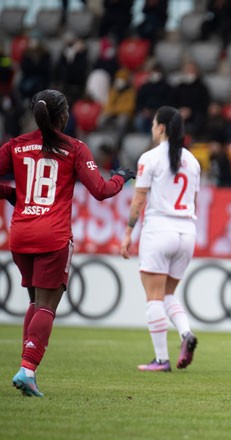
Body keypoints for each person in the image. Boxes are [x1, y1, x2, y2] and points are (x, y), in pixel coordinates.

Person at [0, 89, 134, 397]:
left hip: (20, 233)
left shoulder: (15, 146)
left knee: (35, 302)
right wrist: (121, 176)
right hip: (53, 235)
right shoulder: (74, 148)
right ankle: (27, 369)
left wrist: (12, 195)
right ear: (64, 116)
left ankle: (26, 366)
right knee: (47, 306)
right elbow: (100, 190)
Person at [121, 105, 200, 372]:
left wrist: (128, 232)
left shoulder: (150, 158)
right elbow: (195, 201)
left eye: (155, 125)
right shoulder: (193, 161)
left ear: (162, 127)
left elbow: (139, 199)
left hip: (159, 230)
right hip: (187, 232)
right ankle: (186, 333)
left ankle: (162, 359)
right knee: (168, 294)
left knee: (153, 297)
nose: (153, 129)